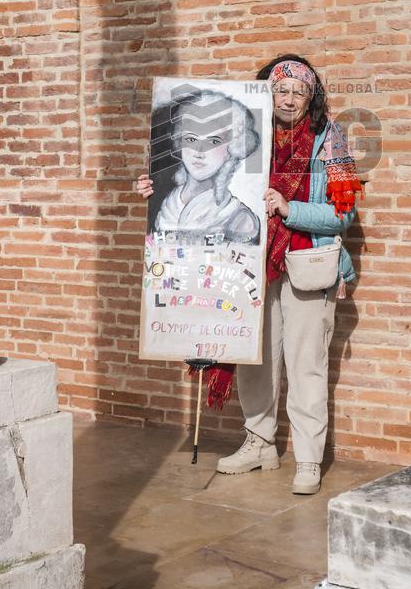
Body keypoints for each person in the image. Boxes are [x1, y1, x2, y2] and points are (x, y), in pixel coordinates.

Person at [136, 56, 361, 494]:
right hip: (249, 265)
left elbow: (342, 213)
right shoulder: (247, 139)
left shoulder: (329, 140)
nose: (289, 99)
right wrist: (157, 186)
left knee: (306, 365)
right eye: (281, 90)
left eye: (299, 91)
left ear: (311, 97)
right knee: (255, 359)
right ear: (266, 94)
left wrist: (289, 209)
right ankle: (260, 443)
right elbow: (199, 184)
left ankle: (309, 460)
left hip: (307, 264)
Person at [145, 87, 261, 244]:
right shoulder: (167, 203)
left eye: (213, 141)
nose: (199, 152)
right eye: (191, 139)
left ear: (232, 148)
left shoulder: (238, 218)